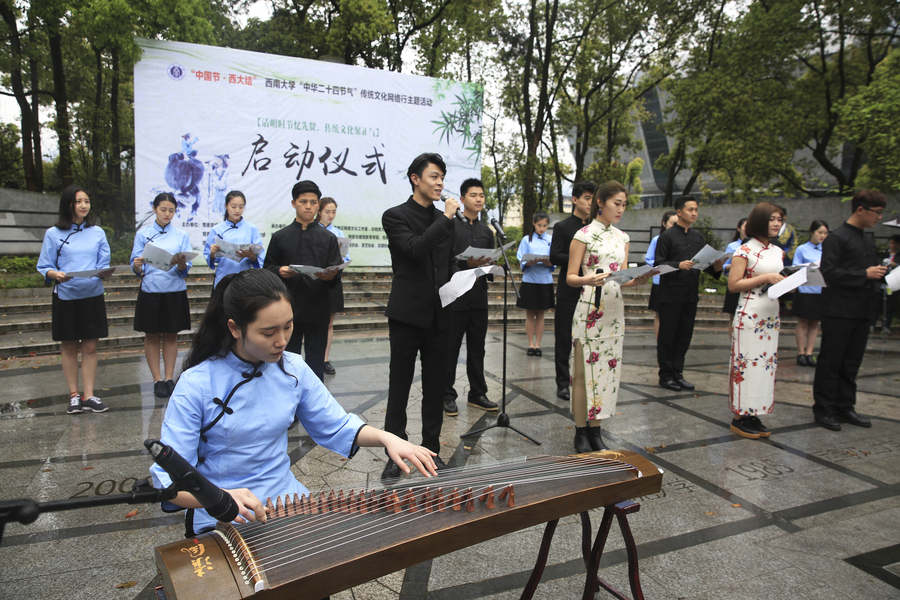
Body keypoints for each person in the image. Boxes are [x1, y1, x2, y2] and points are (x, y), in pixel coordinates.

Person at [148, 268, 437, 536]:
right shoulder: (196, 384)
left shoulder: (293, 368)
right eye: (268, 332)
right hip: (222, 513)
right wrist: (220, 497)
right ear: (235, 328)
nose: (282, 340)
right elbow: (169, 481)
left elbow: (336, 425)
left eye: (288, 327)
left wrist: (389, 439)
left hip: (287, 502)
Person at [381, 153, 457, 480]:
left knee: (435, 384)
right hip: (407, 313)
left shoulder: (445, 220)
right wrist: (446, 220)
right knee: (399, 383)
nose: (440, 183)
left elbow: (448, 262)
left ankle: (431, 447)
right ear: (415, 178)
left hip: (441, 314)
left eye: (442, 178)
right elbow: (414, 249)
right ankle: (395, 448)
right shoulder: (395, 216)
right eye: (434, 177)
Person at [566, 181, 652, 452]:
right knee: (583, 371)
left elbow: (622, 275)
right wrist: (587, 279)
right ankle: (581, 429)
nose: (621, 209)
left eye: (624, 204)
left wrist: (639, 278)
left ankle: (597, 428)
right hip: (590, 304)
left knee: (607, 370)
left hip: (614, 309)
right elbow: (570, 277)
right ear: (600, 203)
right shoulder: (583, 235)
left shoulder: (622, 238)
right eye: (617, 203)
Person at [813, 190, 887, 431]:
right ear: (860, 210)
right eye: (876, 213)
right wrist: (863, 274)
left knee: (852, 362)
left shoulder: (867, 238)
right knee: (831, 361)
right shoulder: (837, 238)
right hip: (838, 311)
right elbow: (829, 272)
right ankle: (824, 409)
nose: (879, 217)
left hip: (862, 309)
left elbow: (868, 271)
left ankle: (845, 406)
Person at [36, 185, 111, 414]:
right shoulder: (53, 233)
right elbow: (44, 266)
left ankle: (89, 394)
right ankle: (74, 395)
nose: (83, 205)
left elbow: (103, 263)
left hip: (92, 296)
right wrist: (54, 274)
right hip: (66, 296)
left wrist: (104, 271)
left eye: (86, 201)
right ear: (68, 204)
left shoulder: (98, 232)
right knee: (69, 346)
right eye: (78, 201)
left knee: (89, 346)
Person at [264, 181, 342, 382]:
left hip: (318, 307)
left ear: (318, 205)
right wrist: (279, 270)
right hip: (288, 309)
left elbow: (336, 270)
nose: (308, 206)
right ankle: (287, 402)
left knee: (316, 362)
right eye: (303, 201)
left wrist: (330, 274)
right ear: (294, 203)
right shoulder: (281, 237)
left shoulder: (328, 239)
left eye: (313, 202)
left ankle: (314, 406)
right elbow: (267, 269)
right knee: (288, 359)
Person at [727, 203, 786, 439]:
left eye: (780, 219)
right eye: (772, 219)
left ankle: (755, 412)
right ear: (760, 220)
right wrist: (765, 278)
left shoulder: (777, 251)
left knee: (765, 366)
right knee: (746, 365)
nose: (776, 223)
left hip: (770, 315)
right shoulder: (744, 251)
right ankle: (740, 416)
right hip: (750, 314)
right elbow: (734, 284)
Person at [654, 196, 725, 391]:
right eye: (690, 209)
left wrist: (717, 265)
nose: (694, 213)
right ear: (679, 212)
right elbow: (658, 265)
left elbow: (706, 266)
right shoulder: (666, 237)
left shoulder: (698, 238)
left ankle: (678, 373)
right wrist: (678, 265)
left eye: (696, 210)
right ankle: (665, 375)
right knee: (667, 336)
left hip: (690, 295)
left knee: (685, 335)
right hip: (669, 295)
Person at [443, 178, 499, 416]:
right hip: (455, 295)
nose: (479, 199)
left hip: (478, 295)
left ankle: (477, 392)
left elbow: (491, 261)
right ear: (463, 197)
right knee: (450, 347)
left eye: (482, 195)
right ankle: (446, 394)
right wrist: (464, 262)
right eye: (474, 195)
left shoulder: (486, 231)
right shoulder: (451, 226)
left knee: (478, 347)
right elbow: (443, 259)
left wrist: (491, 264)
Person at [131, 193, 193, 399]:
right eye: (163, 209)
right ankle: (157, 379)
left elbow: (186, 268)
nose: (167, 214)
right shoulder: (144, 234)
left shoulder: (181, 235)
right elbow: (135, 264)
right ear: (155, 209)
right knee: (151, 335)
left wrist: (182, 263)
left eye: (171, 210)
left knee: (171, 335)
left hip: (174, 290)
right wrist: (137, 265)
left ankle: (169, 378)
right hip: (151, 290)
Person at [550, 181, 596, 401]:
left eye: (593, 198)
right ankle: (562, 383)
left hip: (593, 289)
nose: (590, 202)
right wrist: (579, 259)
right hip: (569, 289)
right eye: (587, 198)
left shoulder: (597, 228)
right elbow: (554, 255)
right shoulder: (563, 227)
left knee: (589, 337)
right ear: (575, 199)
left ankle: (586, 379)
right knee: (563, 337)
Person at [203, 190, 264, 289]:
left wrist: (252, 256)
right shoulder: (217, 229)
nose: (237, 210)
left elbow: (260, 256)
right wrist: (213, 253)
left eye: (241, 207)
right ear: (226, 206)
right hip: (223, 278)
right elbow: (209, 258)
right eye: (233, 206)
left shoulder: (252, 229)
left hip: (245, 279)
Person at [316, 197, 350, 376]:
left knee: (329, 324)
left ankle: (325, 359)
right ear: (319, 211)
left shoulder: (337, 233)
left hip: (332, 282)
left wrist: (342, 261)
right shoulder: (313, 231)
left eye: (333, 212)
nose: (330, 215)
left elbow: (345, 256)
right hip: (313, 281)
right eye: (327, 211)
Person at [516, 211, 554, 355]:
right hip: (530, 280)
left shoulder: (550, 239)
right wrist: (528, 262)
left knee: (541, 315)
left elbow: (554, 260)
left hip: (544, 280)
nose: (542, 228)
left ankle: (538, 344)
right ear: (534, 224)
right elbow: (521, 257)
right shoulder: (527, 240)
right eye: (539, 225)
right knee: (530, 314)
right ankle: (530, 344)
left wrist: (548, 261)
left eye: (544, 225)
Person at [792, 220, 829, 366]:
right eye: (820, 232)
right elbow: (795, 267)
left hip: (821, 289)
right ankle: (801, 352)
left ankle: (809, 352)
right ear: (812, 232)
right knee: (803, 322)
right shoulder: (802, 249)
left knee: (815, 323)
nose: (822, 236)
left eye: (825, 233)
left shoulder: (826, 250)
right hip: (805, 289)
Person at [644, 210, 679, 337]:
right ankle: (660, 340)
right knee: (659, 313)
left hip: (677, 282)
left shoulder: (680, 240)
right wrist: (665, 265)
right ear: (664, 223)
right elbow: (649, 259)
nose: (675, 227)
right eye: (672, 223)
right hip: (660, 281)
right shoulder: (657, 240)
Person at [721, 218, 748, 318]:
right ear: (739, 228)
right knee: (733, 317)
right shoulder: (732, 246)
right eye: (745, 226)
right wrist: (736, 265)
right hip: (735, 283)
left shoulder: (755, 245)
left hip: (750, 284)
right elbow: (724, 265)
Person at [880, 235, 899, 334]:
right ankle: (874, 323)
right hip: (883, 281)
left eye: (894, 243)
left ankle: (886, 325)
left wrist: (895, 265)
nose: (892, 245)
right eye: (891, 243)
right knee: (879, 302)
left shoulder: (898, 256)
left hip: (892, 282)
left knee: (890, 303)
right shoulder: (885, 254)